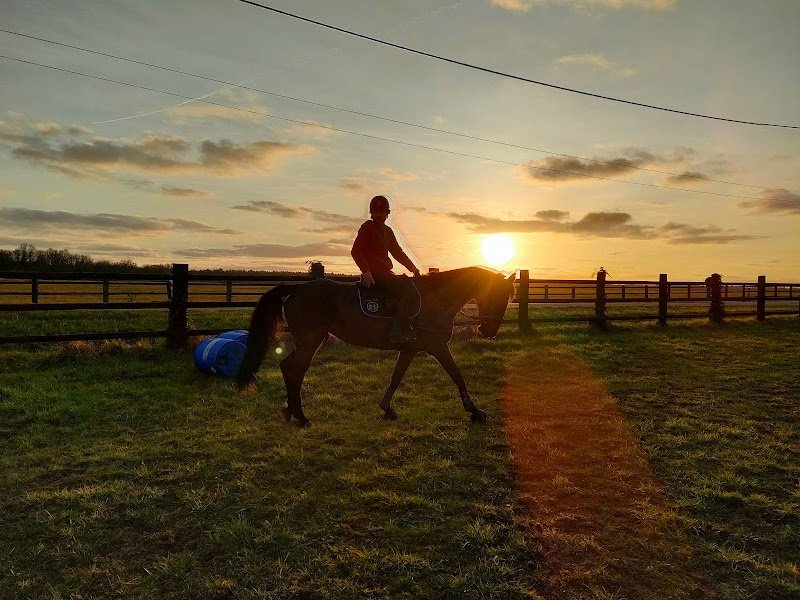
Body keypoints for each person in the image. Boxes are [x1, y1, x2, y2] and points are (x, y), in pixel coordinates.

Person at [351, 195, 421, 343]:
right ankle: (398, 329)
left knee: (409, 286)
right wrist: (366, 271)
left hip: (386, 273)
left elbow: (398, 253)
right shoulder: (366, 228)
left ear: (387, 213)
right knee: (409, 293)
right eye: (376, 212)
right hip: (375, 275)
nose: (379, 215)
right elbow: (356, 251)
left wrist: (413, 268)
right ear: (371, 213)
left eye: (382, 212)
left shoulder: (388, 231)